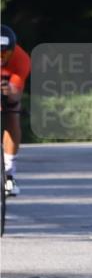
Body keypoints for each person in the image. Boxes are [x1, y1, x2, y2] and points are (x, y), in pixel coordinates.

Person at [1, 24, 30, 196]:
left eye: (5, 53)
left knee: (13, 113)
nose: (0, 57)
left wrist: (9, 92)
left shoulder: (21, 59)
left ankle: (9, 174)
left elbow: (15, 93)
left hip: (8, 88)